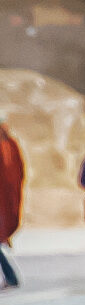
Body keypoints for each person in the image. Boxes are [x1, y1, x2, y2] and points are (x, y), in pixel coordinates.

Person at [0, 115, 25, 288]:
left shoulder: (11, 145)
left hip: (6, 200)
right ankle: (11, 277)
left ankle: (11, 277)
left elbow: (17, 172)